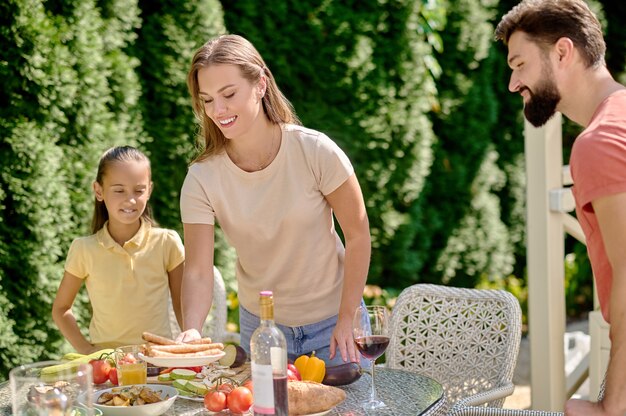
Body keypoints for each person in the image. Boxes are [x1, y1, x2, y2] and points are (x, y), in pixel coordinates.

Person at [177, 34, 371, 366]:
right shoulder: (201, 178)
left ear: (261, 84)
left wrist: (346, 317)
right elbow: (197, 269)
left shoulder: (315, 151)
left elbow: (358, 235)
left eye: (229, 94)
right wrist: (192, 330)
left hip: (335, 324)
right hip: (263, 330)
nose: (218, 110)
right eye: (207, 100)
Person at [496, 1, 626, 415]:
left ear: (562, 52)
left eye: (520, 64)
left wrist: (613, 404)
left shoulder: (600, 142)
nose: (513, 83)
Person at [52, 146, 185, 353]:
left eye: (139, 190)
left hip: (157, 360)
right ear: (99, 191)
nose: (130, 200)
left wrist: (190, 349)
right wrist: (87, 351)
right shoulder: (83, 249)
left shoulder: (167, 242)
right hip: (107, 366)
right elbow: (60, 309)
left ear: (149, 190)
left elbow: (182, 304)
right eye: (119, 190)